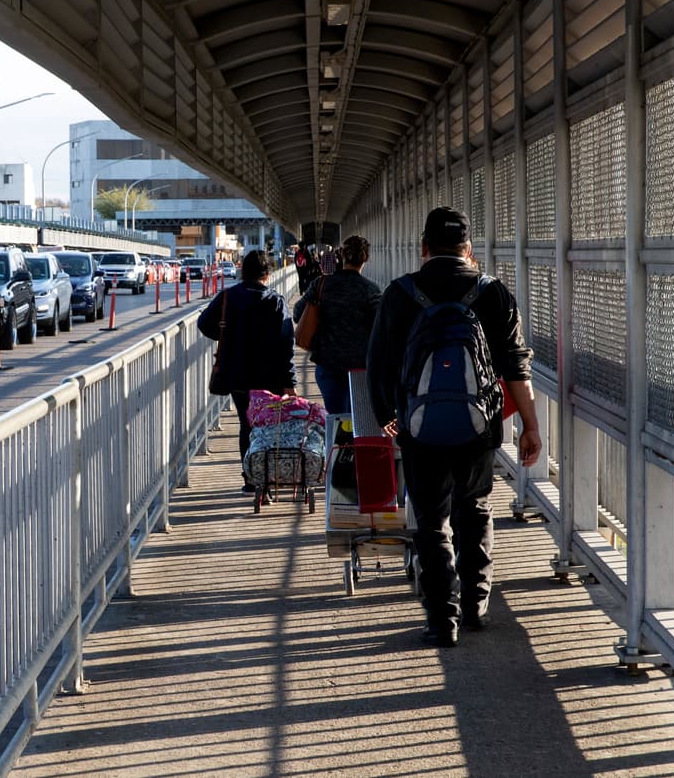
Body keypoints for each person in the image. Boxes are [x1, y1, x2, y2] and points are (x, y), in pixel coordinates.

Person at [366, 207, 541, 648]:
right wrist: (531, 426)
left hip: (418, 428)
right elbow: (517, 368)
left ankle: (442, 620)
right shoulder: (493, 293)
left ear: (423, 247)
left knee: (430, 521)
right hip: (478, 428)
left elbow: (379, 365)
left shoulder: (400, 293)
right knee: (475, 508)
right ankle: (475, 606)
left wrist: (388, 416)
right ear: (469, 248)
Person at [197, 250, 297, 496]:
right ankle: (268, 477)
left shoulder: (228, 297)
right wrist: (290, 382)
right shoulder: (275, 301)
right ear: (267, 274)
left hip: (237, 374)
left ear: (243, 271)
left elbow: (204, 323)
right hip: (270, 377)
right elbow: (286, 344)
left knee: (247, 424)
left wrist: (225, 336)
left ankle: (251, 479)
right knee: (269, 425)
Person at [291, 235, 381, 414]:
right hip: (359, 366)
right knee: (357, 417)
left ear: (341, 256)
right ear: (366, 258)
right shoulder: (371, 290)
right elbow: (380, 328)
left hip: (327, 363)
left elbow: (297, 314)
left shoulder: (321, 284)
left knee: (335, 416)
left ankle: (336, 432)